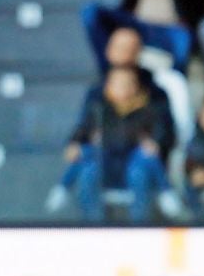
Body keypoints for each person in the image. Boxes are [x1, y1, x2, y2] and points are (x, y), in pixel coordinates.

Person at [50, 63, 179, 224]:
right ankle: (90, 220)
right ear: (108, 86)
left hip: (132, 162)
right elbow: (83, 129)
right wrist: (74, 143)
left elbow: (160, 134)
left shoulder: (147, 110)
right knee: (87, 167)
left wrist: (153, 143)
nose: (124, 88)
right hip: (107, 162)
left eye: (129, 83)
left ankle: (149, 212)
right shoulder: (99, 109)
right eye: (118, 83)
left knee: (142, 168)